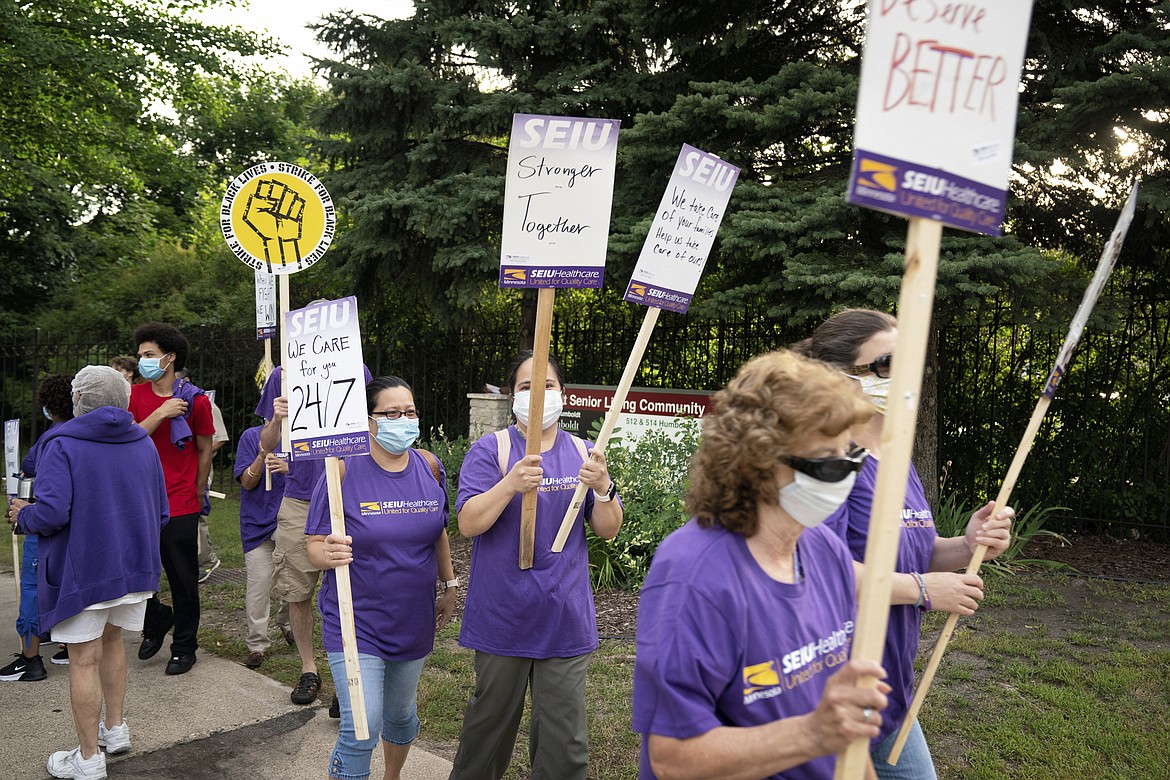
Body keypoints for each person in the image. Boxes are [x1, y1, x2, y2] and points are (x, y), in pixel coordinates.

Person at [633, 349, 890, 780]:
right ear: (758, 462)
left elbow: (843, 722)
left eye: (852, 454)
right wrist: (811, 734)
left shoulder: (825, 550)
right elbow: (673, 757)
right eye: (828, 460)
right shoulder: (692, 577)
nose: (848, 472)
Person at [797, 309, 1014, 779]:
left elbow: (919, 549)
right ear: (837, 378)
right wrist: (920, 589)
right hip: (830, 689)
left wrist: (968, 544)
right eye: (886, 364)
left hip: (890, 690)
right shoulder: (826, 460)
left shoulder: (895, 458)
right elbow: (812, 573)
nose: (903, 376)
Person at [449, 351, 623, 780]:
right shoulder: (492, 451)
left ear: (564, 394)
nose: (539, 395)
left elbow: (609, 529)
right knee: (486, 735)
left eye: (548, 386)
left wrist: (603, 487)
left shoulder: (583, 451)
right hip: (502, 619)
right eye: (528, 387)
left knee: (565, 746)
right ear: (512, 396)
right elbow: (469, 523)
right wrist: (509, 484)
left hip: (564, 620)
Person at [7, 365, 168, 780]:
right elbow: (162, 511)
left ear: (79, 400)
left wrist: (24, 516)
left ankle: (88, 758)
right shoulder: (143, 443)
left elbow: (52, 512)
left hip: (84, 571)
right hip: (134, 569)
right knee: (113, 644)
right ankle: (115, 729)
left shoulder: (61, 444)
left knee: (82, 660)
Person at [306, 375, 457, 780]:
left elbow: (438, 532)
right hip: (356, 621)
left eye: (409, 412)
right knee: (362, 724)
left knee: (400, 715)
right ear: (369, 420)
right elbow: (314, 545)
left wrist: (450, 585)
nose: (402, 420)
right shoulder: (340, 469)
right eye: (391, 413)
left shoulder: (428, 466)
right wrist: (328, 553)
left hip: (413, 617)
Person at [257, 362, 373, 705]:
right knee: (298, 590)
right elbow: (266, 444)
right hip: (299, 501)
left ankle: (347, 675)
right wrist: (277, 419)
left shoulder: (355, 366)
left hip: (348, 492)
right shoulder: (282, 375)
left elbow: (370, 429)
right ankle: (309, 669)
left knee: (352, 588)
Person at [128, 322, 214, 676]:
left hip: (180, 499)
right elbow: (127, 437)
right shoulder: (133, 396)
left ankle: (184, 645)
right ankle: (156, 616)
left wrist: (198, 488)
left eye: (149, 355)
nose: (143, 361)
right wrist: (161, 413)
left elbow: (205, 449)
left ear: (170, 357)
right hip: (139, 498)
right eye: (141, 356)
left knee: (182, 576)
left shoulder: (196, 400)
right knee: (135, 573)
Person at [0, 374, 73, 682]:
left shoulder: (51, 439)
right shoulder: (84, 435)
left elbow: (30, 469)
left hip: (44, 523)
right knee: (67, 583)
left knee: (32, 586)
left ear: (47, 405)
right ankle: (69, 643)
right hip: (74, 527)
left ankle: (30, 659)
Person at [234, 418, 291, 669]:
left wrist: (289, 468)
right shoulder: (250, 436)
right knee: (258, 587)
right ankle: (257, 645)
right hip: (256, 524)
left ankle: (287, 620)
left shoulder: (298, 437)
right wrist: (261, 456)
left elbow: (314, 478)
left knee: (296, 581)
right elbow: (247, 483)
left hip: (289, 521)